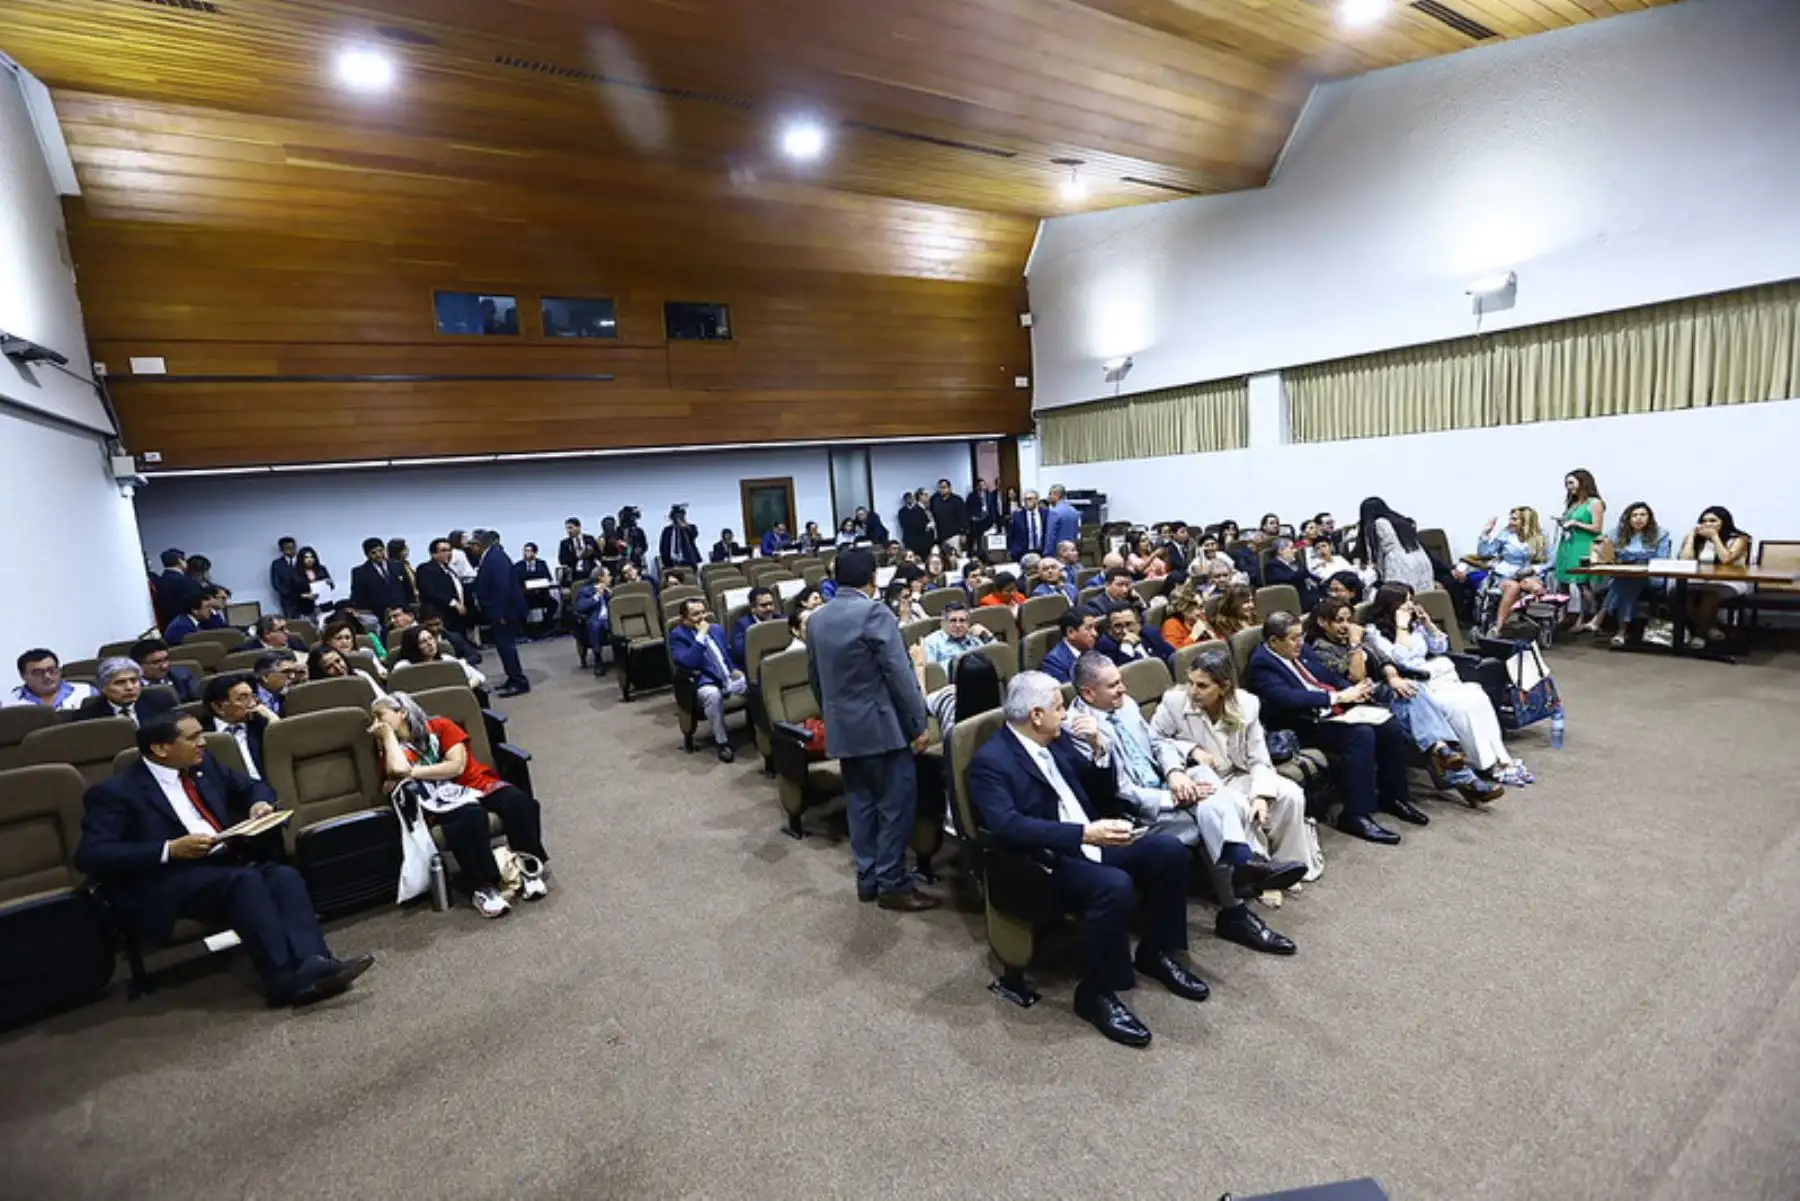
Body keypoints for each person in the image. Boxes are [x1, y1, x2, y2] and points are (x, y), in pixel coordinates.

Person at [967, 671, 1209, 1047]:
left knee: (1169, 852)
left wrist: (1098, 748)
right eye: (1059, 707)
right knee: (1115, 886)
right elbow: (1006, 827)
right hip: (1047, 859)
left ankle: (1156, 951)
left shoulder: (1055, 739)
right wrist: (1083, 834)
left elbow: (1094, 787)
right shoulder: (992, 762)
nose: (1065, 713)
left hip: (1092, 837)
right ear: (1036, 715)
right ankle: (1096, 993)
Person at [76, 714, 374, 1006]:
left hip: (220, 865)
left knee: (284, 877)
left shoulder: (205, 766)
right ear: (160, 748)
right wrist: (169, 849)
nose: (202, 742)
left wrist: (258, 802)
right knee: (245, 881)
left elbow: (253, 786)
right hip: (165, 878)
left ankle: (316, 963)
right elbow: (92, 855)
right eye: (192, 738)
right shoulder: (115, 793)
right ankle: (282, 980)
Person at [1068, 651, 1303, 954]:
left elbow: (1157, 743)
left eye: (1121, 682)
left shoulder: (1123, 705)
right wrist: (1174, 797)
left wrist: (1176, 773)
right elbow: (1121, 792)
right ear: (1088, 692)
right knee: (1213, 810)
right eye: (1113, 685)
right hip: (1141, 806)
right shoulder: (1079, 729)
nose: (1124, 689)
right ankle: (1239, 895)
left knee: (1207, 783)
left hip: (1166, 782)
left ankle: (1242, 872)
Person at [806, 549, 936, 911]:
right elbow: (899, 674)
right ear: (873, 578)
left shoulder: (817, 618)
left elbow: (815, 678)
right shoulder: (874, 612)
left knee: (860, 805)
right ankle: (892, 883)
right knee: (895, 807)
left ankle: (868, 879)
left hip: (844, 729)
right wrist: (917, 724)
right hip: (882, 729)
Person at [1151, 649, 1314, 904]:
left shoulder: (1247, 704)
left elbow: (1259, 757)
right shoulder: (1174, 701)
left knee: (1291, 795)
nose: (1193, 691)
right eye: (1191, 682)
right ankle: (1261, 875)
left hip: (1239, 772)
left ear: (1224, 686)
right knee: (1240, 805)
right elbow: (1156, 739)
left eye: (1202, 686)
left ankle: (1285, 866)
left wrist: (1261, 794)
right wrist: (1189, 749)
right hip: (1202, 777)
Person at [370, 693, 550, 919]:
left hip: (475, 782)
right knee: (470, 817)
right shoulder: (391, 747)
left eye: (380, 716)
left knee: (519, 802)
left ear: (402, 712)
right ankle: (484, 887)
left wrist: (412, 772)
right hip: (436, 799)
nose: (375, 724)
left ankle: (529, 868)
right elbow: (396, 769)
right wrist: (387, 736)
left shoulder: (440, 726)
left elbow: (456, 766)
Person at [1245, 611, 1419, 845]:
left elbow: (1327, 676)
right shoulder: (1261, 665)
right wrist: (1336, 698)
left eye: (1301, 636)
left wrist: (1355, 690)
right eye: (1294, 638)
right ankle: (1355, 814)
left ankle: (1394, 796)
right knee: (1360, 734)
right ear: (1274, 641)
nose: (1300, 643)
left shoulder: (1300, 650)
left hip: (1333, 710)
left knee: (1389, 725)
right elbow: (1287, 699)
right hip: (1302, 723)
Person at [1305, 597, 1500, 804]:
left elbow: (1385, 661)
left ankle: (1443, 753)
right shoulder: (1321, 649)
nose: (1345, 626)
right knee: (1415, 707)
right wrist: (1355, 645)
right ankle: (1451, 762)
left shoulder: (1360, 637)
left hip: (1382, 690)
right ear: (1323, 622)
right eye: (1338, 621)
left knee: (1411, 693)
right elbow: (1356, 677)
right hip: (1356, 701)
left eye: (1348, 619)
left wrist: (1393, 677)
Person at [1363, 583, 1532, 788]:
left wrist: (1428, 624)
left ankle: (1501, 758)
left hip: (1440, 676)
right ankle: (1485, 763)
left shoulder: (1415, 625)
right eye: (1406, 601)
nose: (1411, 606)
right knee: (1460, 707)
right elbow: (1400, 659)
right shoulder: (1374, 632)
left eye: (1412, 600)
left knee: (1477, 696)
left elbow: (1441, 646)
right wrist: (1401, 628)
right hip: (1417, 681)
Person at [669, 598, 746, 762]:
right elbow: (689, 662)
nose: (702, 618)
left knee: (756, 683)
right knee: (713, 695)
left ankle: (761, 732)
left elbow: (727, 654)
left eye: (703, 612)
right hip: (702, 682)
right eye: (695, 614)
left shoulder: (716, 629)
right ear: (684, 619)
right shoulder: (677, 636)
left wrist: (735, 669)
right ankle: (722, 742)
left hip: (728, 677)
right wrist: (701, 635)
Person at [1679, 505, 1754, 643]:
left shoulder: (1740, 539)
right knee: (1680, 595)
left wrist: (1715, 537)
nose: (1708, 524)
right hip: (1699, 580)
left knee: (1709, 597)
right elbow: (1684, 561)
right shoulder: (1698, 540)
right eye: (1704, 521)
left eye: (1713, 521)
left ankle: (1700, 635)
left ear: (1724, 522)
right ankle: (1708, 627)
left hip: (1729, 581)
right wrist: (1691, 537)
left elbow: (1726, 559)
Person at [1602, 501, 1673, 645]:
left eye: (1643, 515)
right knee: (1629, 580)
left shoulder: (1661, 534)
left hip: (1652, 578)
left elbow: (1661, 559)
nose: (1638, 518)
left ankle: (1605, 619)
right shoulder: (1616, 533)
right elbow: (1608, 556)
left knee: (1628, 580)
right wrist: (1640, 556)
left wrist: (1628, 556)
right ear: (1628, 519)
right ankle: (1621, 629)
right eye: (1634, 515)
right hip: (1623, 577)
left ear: (1649, 518)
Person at [1475, 507, 1550, 636]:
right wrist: (1485, 534)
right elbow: (1484, 552)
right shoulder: (1505, 535)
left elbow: (1551, 561)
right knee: (1514, 587)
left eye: (1515, 519)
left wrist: (1534, 569)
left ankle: (1543, 615)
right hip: (1506, 576)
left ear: (1526, 521)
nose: (1511, 522)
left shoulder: (1541, 537)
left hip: (1530, 575)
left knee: (1529, 583)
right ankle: (1497, 627)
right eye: (1511, 518)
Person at [473, 530, 530, 696]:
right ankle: (512, 678)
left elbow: (502, 587)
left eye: (474, 545)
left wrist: (500, 613)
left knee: (507, 647)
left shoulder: (495, 558)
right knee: (503, 647)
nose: (472, 548)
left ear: (481, 544)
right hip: (501, 611)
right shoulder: (491, 556)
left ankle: (519, 682)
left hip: (505, 612)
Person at [1554, 469, 1607, 633]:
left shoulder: (1594, 503)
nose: (1568, 487)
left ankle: (1587, 617)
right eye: (1566, 484)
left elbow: (1597, 528)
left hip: (1583, 545)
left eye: (1571, 483)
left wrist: (1576, 523)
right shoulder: (1573, 503)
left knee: (1582, 583)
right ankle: (1562, 616)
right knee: (1563, 582)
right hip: (1568, 545)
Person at [198, 672, 279, 780]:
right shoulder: (201, 735)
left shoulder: (261, 724)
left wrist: (272, 717)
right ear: (218, 707)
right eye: (243, 698)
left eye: (253, 696)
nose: (253, 704)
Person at [1351, 497, 1436, 593]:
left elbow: (1378, 553)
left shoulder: (1379, 524)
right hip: (1420, 559)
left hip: (1399, 563)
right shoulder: (1399, 521)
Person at [75, 658, 176, 727]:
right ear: (103, 688)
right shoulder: (88, 717)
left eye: (134, 680)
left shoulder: (161, 701)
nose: (129, 687)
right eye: (120, 683)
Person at [392, 625, 487, 691]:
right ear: (413, 646)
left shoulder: (447, 660)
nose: (430, 644)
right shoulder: (402, 668)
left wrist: (463, 690)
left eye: (430, 638)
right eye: (423, 642)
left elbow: (479, 676)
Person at [6, 648, 98, 710]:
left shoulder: (87, 692)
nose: (47, 676)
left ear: (59, 671)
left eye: (51, 670)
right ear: (23, 676)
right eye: (38, 673)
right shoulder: (9, 704)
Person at [349, 537, 412, 615]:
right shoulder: (360, 572)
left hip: (403, 611)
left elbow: (407, 588)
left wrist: (408, 607)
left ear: (384, 549)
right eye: (373, 553)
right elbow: (358, 596)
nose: (378, 555)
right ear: (366, 554)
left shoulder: (398, 565)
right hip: (380, 614)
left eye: (380, 550)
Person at [1098, 606, 1176, 667]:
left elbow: (1174, 656)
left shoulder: (1151, 633)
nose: (1125, 631)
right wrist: (1126, 646)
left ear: (1139, 624)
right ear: (1109, 630)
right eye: (1118, 626)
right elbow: (1127, 676)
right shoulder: (1106, 648)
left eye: (1129, 624)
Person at [921, 602, 994, 666]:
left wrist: (988, 635)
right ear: (943, 623)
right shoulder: (931, 643)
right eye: (953, 620)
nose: (958, 625)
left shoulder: (974, 636)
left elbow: (997, 659)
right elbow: (932, 674)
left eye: (962, 620)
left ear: (968, 623)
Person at [131, 638, 201, 704]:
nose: (164, 666)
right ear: (137, 666)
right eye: (156, 662)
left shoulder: (183, 675)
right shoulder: (130, 687)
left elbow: (198, 701)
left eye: (166, 659)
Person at [573, 566, 613, 674]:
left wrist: (611, 595)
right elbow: (581, 607)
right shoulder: (585, 591)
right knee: (595, 625)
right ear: (600, 578)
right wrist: (597, 596)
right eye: (608, 575)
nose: (611, 578)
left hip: (611, 619)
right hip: (596, 620)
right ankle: (598, 659)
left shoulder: (611, 589)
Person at [514, 541, 559, 637]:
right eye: (525, 551)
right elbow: (515, 582)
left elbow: (548, 578)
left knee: (553, 604)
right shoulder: (518, 566)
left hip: (541, 594)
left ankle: (545, 627)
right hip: (525, 595)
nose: (526, 553)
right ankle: (526, 631)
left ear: (535, 552)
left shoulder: (541, 564)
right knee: (519, 606)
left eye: (529, 551)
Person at [1041, 609, 1099, 684]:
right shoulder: (1054, 662)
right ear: (1070, 632)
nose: (1095, 634)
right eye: (1088, 628)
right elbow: (1068, 694)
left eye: (1094, 628)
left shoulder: (1090, 650)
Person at [1262, 536, 1320, 611]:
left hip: (1309, 593)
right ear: (1281, 550)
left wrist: (1322, 581)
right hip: (1294, 599)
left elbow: (1309, 576)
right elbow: (1289, 578)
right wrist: (1303, 572)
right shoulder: (1272, 566)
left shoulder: (1295, 563)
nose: (1294, 551)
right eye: (1291, 548)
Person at [1159, 581, 1220, 650]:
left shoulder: (1202, 618)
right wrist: (1194, 635)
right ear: (1184, 610)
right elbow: (1177, 655)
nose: (1203, 611)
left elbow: (1221, 641)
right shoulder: (1171, 625)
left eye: (1202, 606)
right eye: (1199, 607)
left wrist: (1213, 636)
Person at [732, 586, 782, 669]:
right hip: (758, 667)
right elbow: (740, 653)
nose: (769, 608)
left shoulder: (780, 619)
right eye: (763, 605)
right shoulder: (743, 625)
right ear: (753, 608)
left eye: (771, 604)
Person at [307, 645, 385, 697]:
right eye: (329, 667)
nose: (338, 668)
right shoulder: (317, 693)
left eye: (338, 661)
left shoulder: (360, 675)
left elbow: (383, 699)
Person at [250, 652, 299, 717]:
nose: (292, 676)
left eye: (294, 671)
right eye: (286, 672)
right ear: (265, 677)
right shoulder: (248, 699)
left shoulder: (291, 695)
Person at [269, 536, 308, 618]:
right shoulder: (277, 564)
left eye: (293, 547)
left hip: (306, 598)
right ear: (281, 549)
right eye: (287, 548)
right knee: (293, 624)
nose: (291, 550)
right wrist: (292, 594)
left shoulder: (304, 561)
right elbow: (276, 584)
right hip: (288, 601)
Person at [659, 505, 702, 572]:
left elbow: (694, 535)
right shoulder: (667, 530)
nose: (678, 518)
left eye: (681, 516)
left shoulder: (690, 527)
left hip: (687, 561)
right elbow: (663, 547)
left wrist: (685, 527)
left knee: (690, 580)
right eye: (676, 516)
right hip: (671, 562)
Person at [929, 478, 969, 550]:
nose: (941, 490)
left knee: (954, 556)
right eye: (940, 487)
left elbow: (963, 517)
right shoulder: (934, 499)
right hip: (939, 536)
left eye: (944, 487)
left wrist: (964, 534)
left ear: (950, 488)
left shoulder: (957, 500)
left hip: (954, 535)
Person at [1008, 490, 1048, 560]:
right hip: (1023, 552)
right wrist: (1012, 550)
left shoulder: (1045, 513)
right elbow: (1011, 534)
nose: (1026, 501)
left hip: (1041, 551)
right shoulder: (1017, 515)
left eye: (1029, 499)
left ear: (1036, 500)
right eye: (1025, 499)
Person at [237, 614, 307, 654]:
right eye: (281, 629)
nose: (287, 632)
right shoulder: (246, 651)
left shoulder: (296, 641)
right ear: (267, 634)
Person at [1044, 485, 1082, 555]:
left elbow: (1051, 535)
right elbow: (1077, 533)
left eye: (1050, 494)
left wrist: (1047, 553)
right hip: (1072, 551)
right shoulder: (1074, 511)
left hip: (1058, 552)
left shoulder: (1054, 512)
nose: (1048, 497)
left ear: (1056, 495)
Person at [898, 492, 935, 559]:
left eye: (911, 498)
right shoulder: (902, 511)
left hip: (921, 539)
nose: (909, 500)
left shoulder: (921, 509)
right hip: (909, 538)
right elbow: (905, 524)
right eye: (907, 498)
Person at [966, 478, 999, 547]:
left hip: (987, 519)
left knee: (986, 540)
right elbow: (968, 508)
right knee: (977, 539)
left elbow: (992, 508)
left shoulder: (989, 495)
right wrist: (971, 517)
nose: (981, 486)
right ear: (976, 486)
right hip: (976, 521)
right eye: (979, 485)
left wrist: (994, 520)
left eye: (983, 484)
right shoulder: (972, 496)